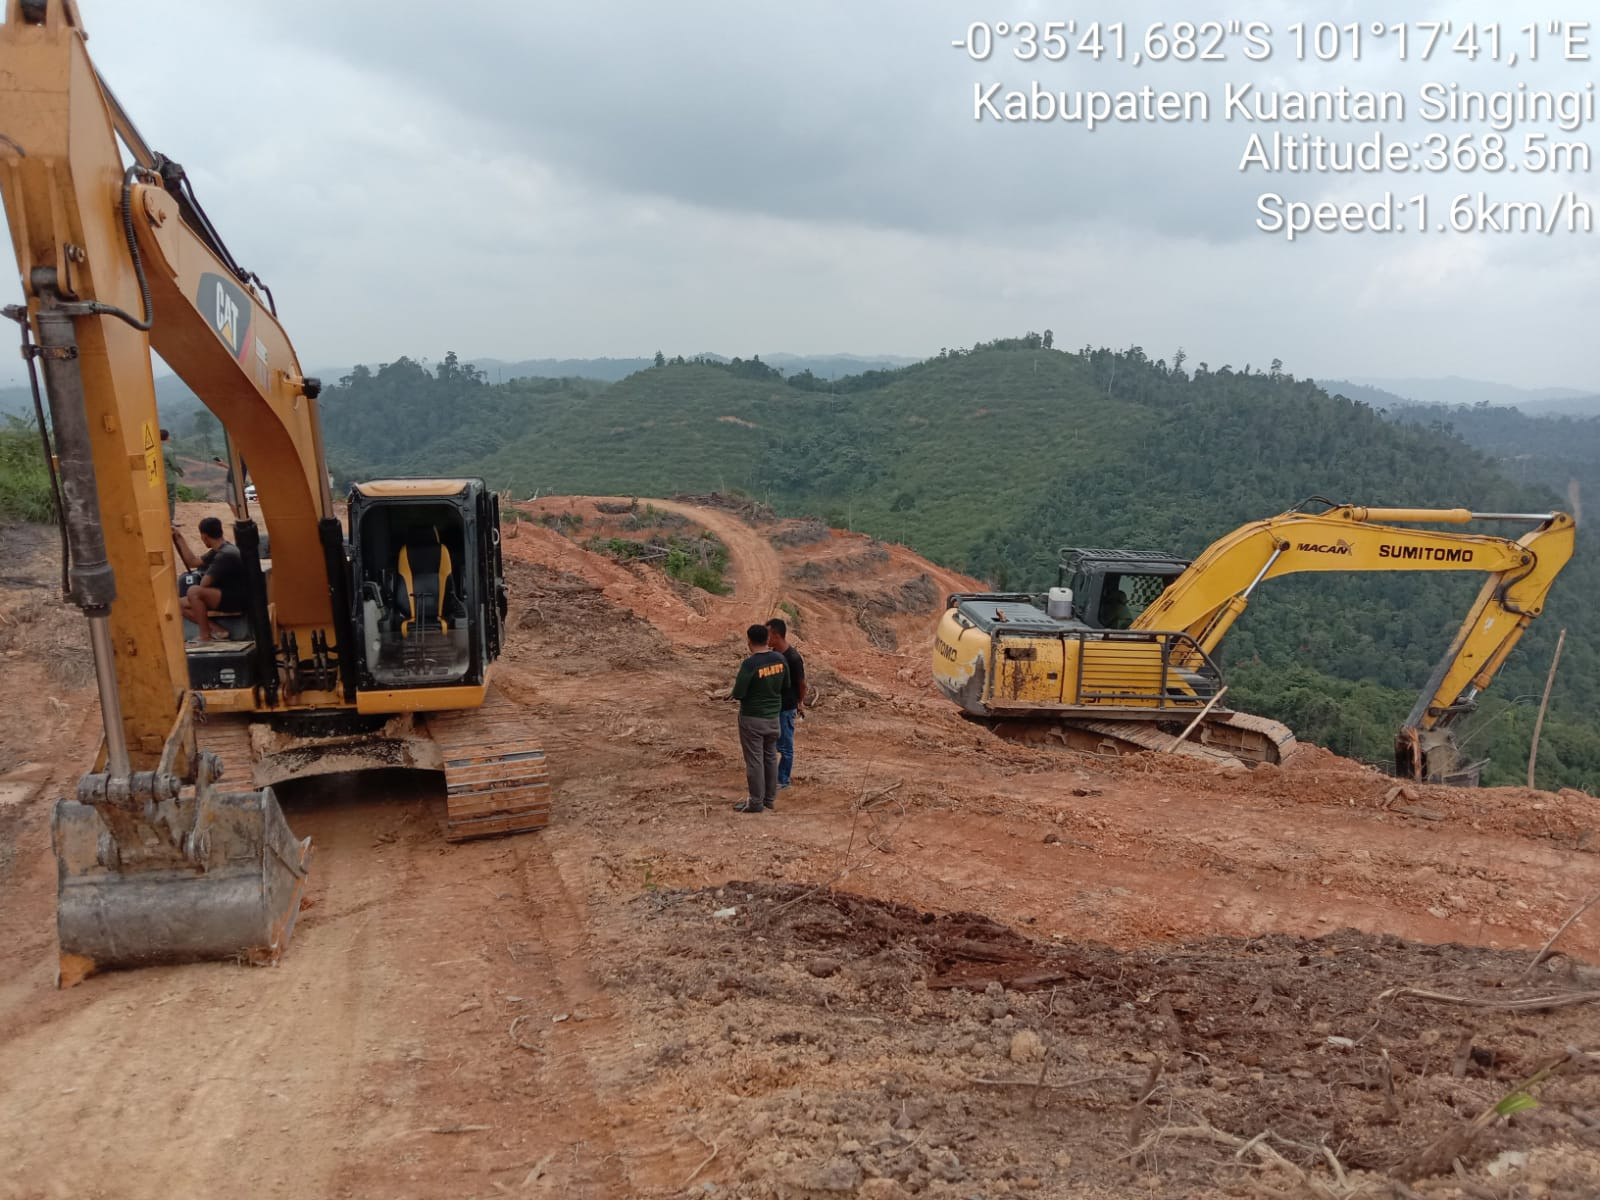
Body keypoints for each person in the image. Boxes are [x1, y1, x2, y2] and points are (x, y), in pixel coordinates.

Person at [730, 622, 787, 813]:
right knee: (770, 758)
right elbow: (785, 686)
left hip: (752, 718)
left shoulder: (750, 664)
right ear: (767, 639)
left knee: (755, 760)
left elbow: (738, 693)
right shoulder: (780, 659)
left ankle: (755, 802)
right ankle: (769, 799)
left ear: (749, 641)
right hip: (773, 718)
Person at [172, 516, 248, 642]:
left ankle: (205, 636)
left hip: (236, 598)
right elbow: (193, 562)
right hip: (227, 595)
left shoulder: (225, 555)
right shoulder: (221, 549)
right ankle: (218, 630)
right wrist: (179, 538)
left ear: (204, 537)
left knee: (194, 591)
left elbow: (204, 584)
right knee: (178, 604)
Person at [765, 616, 807, 791]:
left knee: (786, 747)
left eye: (767, 635)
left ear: (776, 635)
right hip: (772, 708)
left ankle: (783, 780)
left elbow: (802, 683)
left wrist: (800, 702)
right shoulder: (772, 655)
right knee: (770, 745)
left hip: (786, 708)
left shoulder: (793, 658)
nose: (765, 639)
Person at [160, 428, 181, 518]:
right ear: (167, 438)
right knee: (170, 499)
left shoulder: (151, 449)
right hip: (168, 479)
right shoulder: (168, 450)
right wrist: (181, 473)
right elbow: (175, 465)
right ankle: (170, 521)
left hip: (156, 481)